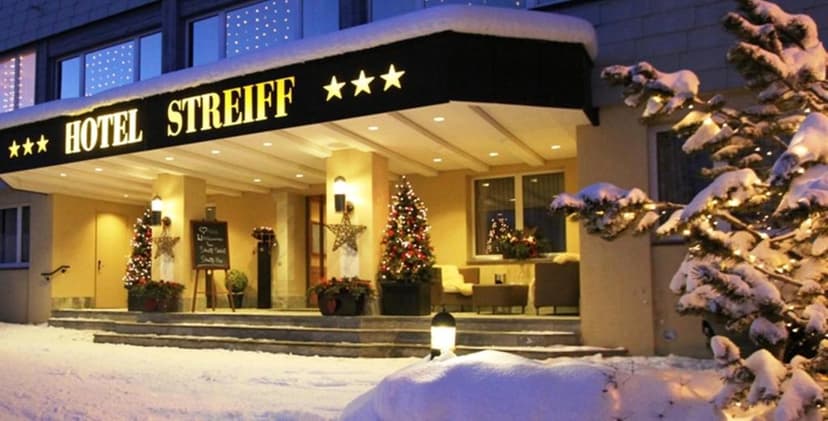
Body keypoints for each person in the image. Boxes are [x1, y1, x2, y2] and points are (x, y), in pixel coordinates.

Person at [154, 216, 180, 282]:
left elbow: (171, 241)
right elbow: (159, 241)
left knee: (169, 268)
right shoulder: (161, 232)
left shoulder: (170, 232)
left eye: (163, 223)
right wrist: (157, 241)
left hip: (168, 255)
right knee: (162, 268)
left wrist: (173, 240)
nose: (162, 225)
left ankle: (168, 282)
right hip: (163, 255)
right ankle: (163, 280)